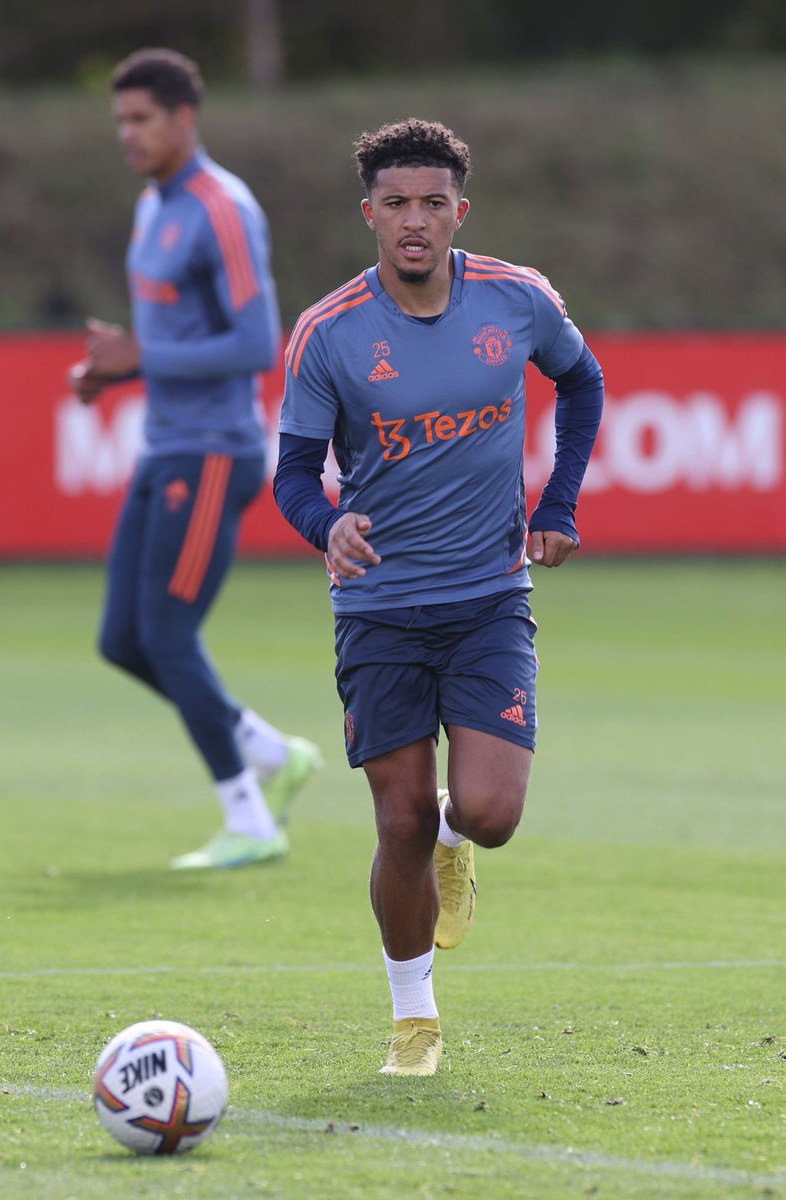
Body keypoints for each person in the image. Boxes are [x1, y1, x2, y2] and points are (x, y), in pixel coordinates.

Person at [274, 119, 603, 1074]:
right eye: (395, 204)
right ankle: (413, 1019)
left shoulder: (519, 299)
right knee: (400, 817)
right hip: (378, 608)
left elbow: (581, 384)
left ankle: (461, 839)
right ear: (368, 213)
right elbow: (294, 471)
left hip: (489, 598)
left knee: (488, 814)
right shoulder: (329, 332)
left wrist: (560, 500)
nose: (413, 221)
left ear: (460, 210)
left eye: (432, 203)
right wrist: (323, 525)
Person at [67, 47, 321, 870]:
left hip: (215, 452)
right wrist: (118, 367)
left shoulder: (222, 208)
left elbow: (256, 343)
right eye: (120, 121)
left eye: (141, 118)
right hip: (166, 445)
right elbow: (174, 337)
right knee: (122, 640)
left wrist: (137, 357)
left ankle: (250, 817)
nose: (128, 134)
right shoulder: (153, 205)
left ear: (185, 118)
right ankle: (273, 753)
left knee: (169, 635)